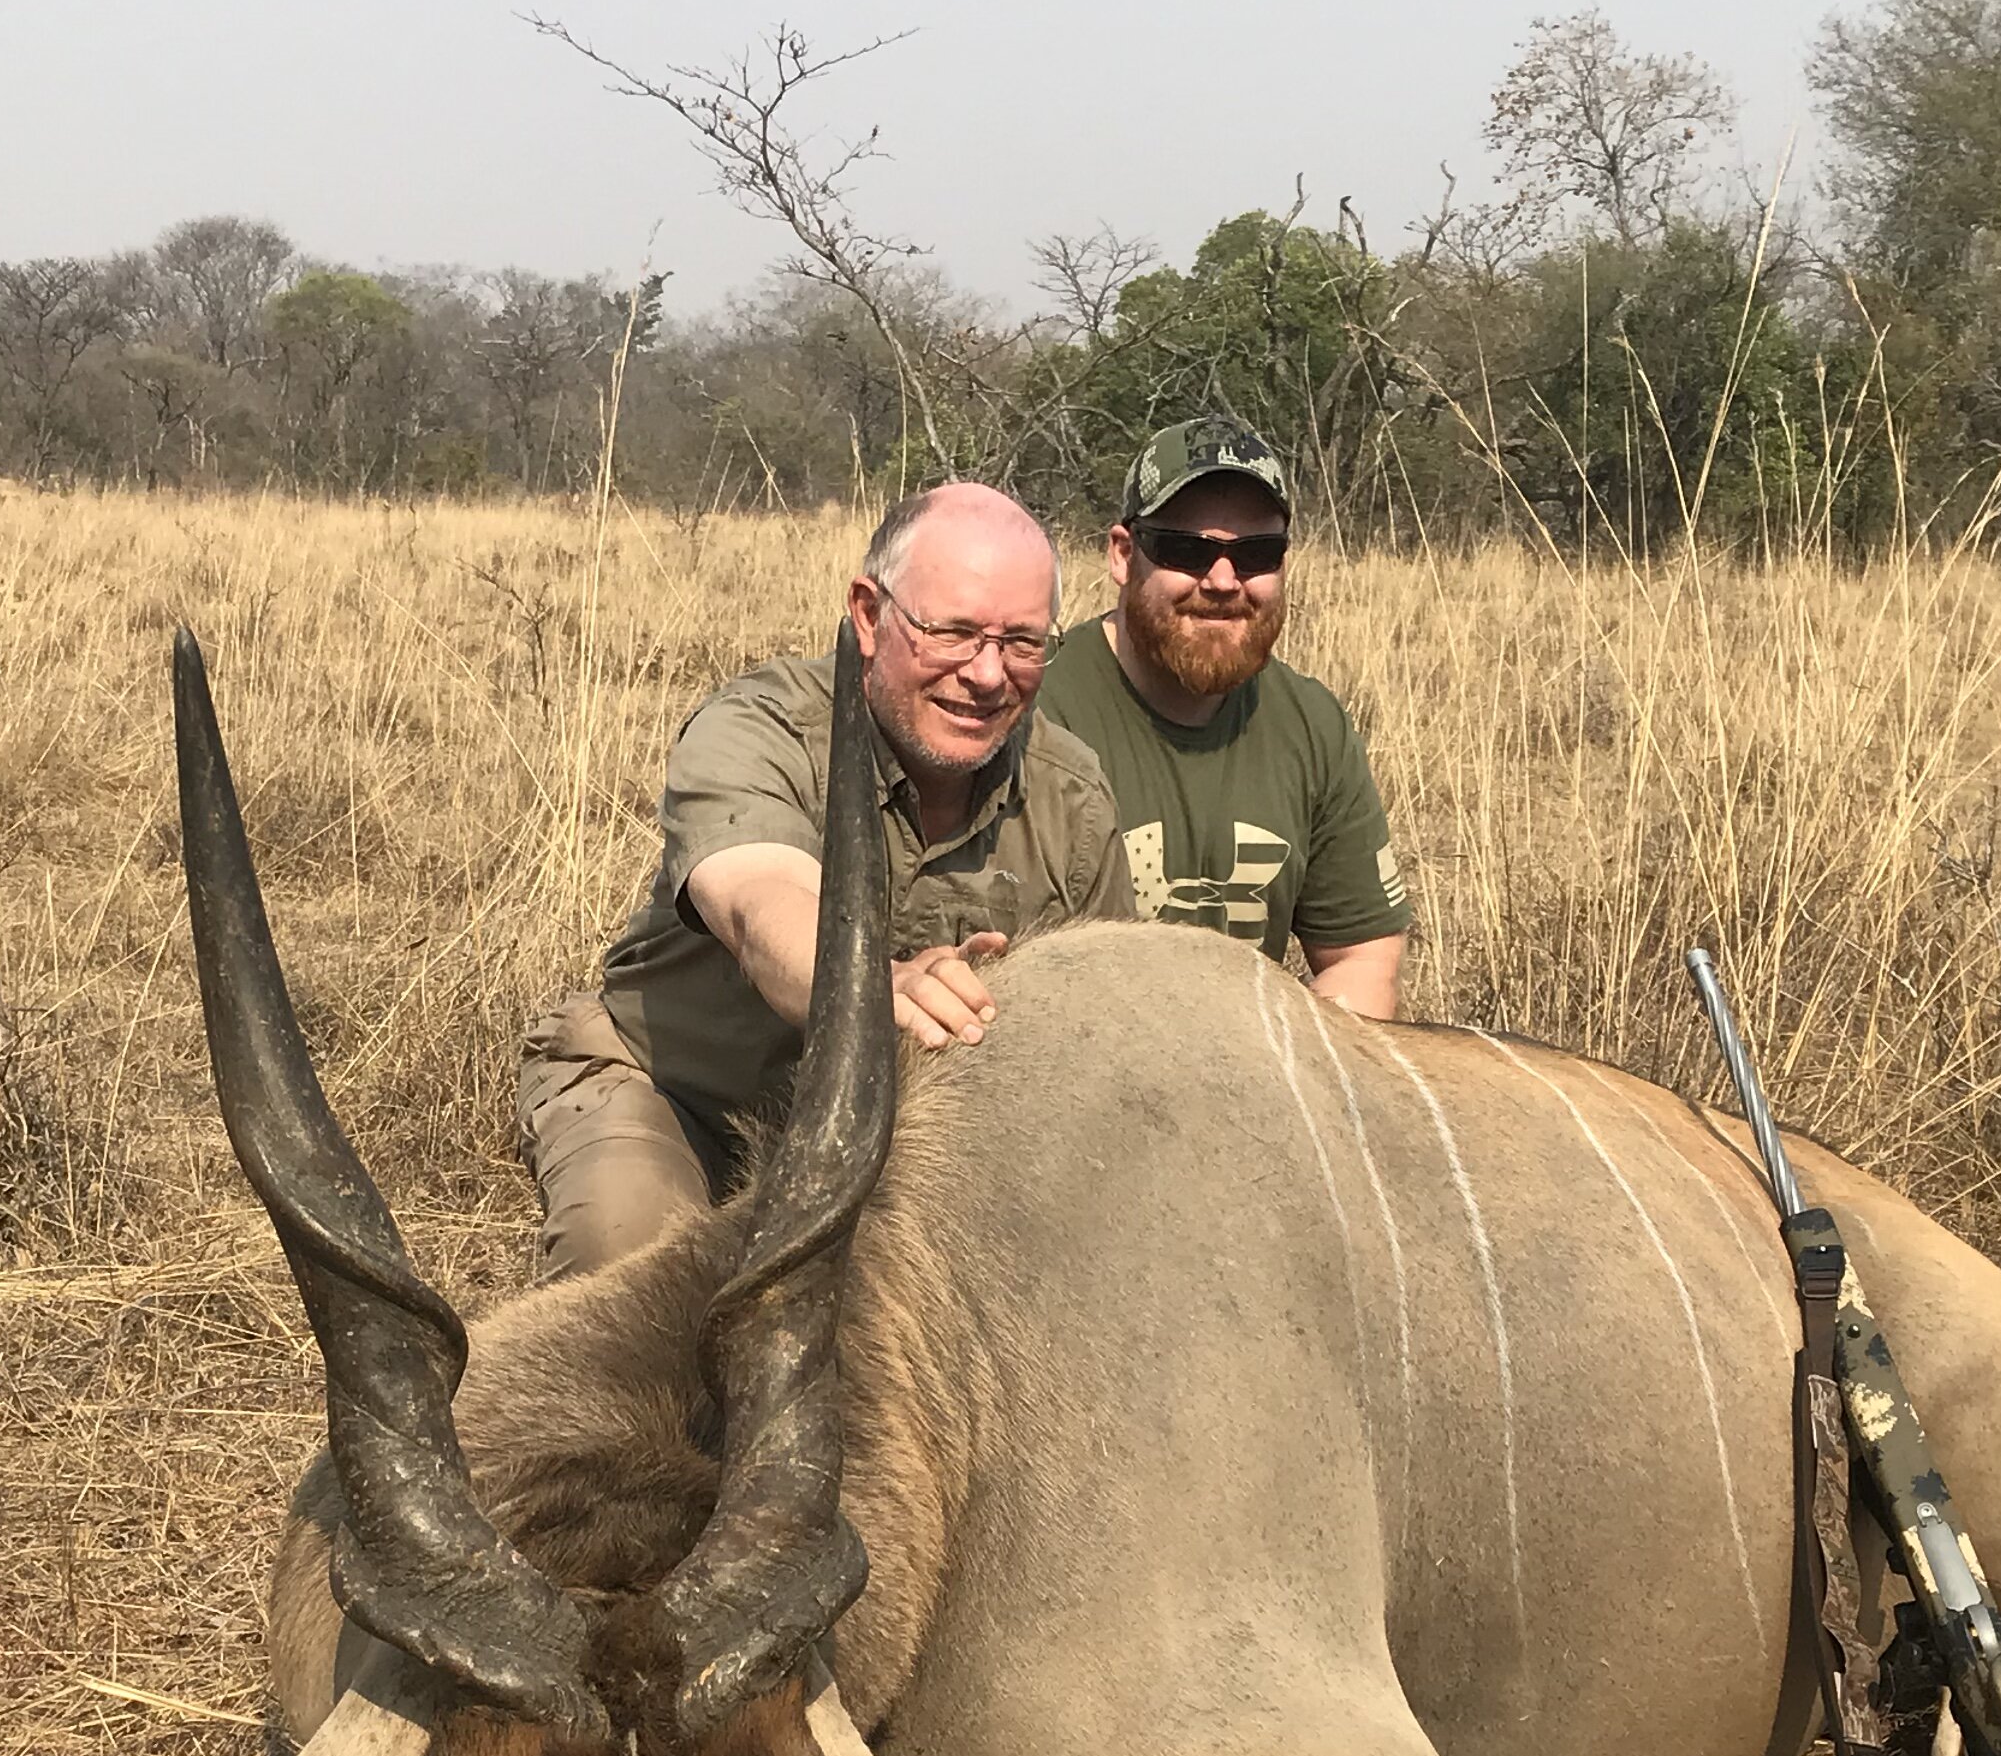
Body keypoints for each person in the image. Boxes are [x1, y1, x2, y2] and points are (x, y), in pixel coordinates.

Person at [514, 481, 1137, 1279]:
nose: (988, 675)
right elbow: (757, 900)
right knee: (636, 1262)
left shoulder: (1072, 795)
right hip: (679, 1094)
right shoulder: (761, 728)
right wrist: (878, 991)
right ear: (870, 615)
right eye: (952, 633)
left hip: (902, 1145)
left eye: (1023, 643)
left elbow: (1097, 1046)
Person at [1030, 414, 1410, 1019]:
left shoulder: (1313, 725)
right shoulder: (1031, 710)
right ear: (1123, 555)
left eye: (1257, 553)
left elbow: (1360, 958)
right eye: (1187, 550)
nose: (1224, 580)